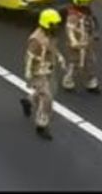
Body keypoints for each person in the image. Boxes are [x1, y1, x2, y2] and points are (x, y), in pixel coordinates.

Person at [20, 8, 67, 140]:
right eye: (54, 24)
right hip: (37, 72)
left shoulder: (50, 35)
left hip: (48, 69)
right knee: (47, 98)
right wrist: (28, 72)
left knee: (46, 91)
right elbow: (29, 57)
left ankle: (28, 101)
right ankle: (41, 124)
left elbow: (52, 48)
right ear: (47, 24)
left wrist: (60, 57)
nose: (57, 27)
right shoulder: (36, 40)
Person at [62, 0, 101, 94]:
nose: (88, 3)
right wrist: (74, 42)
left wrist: (94, 34)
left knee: (90, 62)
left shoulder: (87, 13)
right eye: (85, 1)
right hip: (77, 44)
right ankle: (68, 82)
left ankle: (91, 83)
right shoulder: (73, 16)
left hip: (87, 43)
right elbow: (69, 30)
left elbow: (92, 24)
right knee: (74, 64)